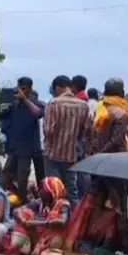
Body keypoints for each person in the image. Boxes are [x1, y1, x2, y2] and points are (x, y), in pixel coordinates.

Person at [43, 75, 93, 204]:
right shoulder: (83, 105)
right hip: (72, 154)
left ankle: (57, 216)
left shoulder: (53, 104)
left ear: (58, 87)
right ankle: (75, 218)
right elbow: (88, 130)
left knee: (55, 188)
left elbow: (48, 131)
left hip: (52, 154)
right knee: (72, 189)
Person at [3, 176, 71, 255]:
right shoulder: (40, 202)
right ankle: (19, 252)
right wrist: (24, 221)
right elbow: (17, 211)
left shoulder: (63, 204)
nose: (40, 192)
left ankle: (39, 253)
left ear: (52, 190)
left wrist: (36, 223)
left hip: (54, 240)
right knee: (24, 213)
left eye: (43, 189)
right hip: (40, 235)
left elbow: (62, 222)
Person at [0, 77, 45, 202]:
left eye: (24, 89)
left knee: (22, 178)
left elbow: (38, 114)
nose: (21, 91)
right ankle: (9, 198)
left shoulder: (35, 102)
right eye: (19, 89)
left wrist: (24, 99)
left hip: (27, 149)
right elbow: (2, 118)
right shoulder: (15, 103)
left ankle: (23, 202)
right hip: (14, 147)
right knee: (6, 176)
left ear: (30, 89)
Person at [92, 78, 128, 216]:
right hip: (118, 161)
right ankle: (122, 225)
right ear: (121, 92)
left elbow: (93, 135)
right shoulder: (121, 112)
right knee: (121, 197)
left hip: (99, 161)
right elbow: (117, 140)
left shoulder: (100, 109)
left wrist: (98, 154)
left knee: (101, 196)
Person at [62, 179, 123, 255]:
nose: (92, 198)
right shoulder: (88, 211)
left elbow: (107, 245)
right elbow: (80, 236)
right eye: (91, 194)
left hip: (98, 252)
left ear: (104, 196)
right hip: (83, 248)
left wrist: (91, 253)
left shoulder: (111, 215)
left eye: (96, 195)